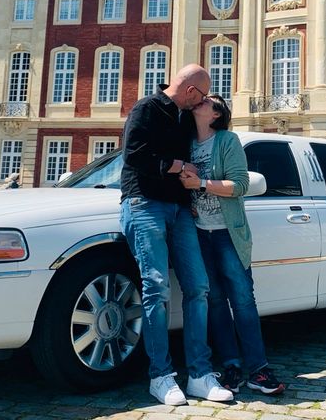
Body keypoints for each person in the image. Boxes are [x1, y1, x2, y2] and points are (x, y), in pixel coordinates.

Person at [118, 64, 232, 406]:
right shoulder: (146, 108)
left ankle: (199, 374)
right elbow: (134, 155)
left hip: (180, 208)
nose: (199, 104)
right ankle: (161, 376)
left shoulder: (185, 118)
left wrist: (192, 196)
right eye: (200, 97)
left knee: (198, 286)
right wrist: (180, 166)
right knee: (157, 287)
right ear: (190, 93)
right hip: (144, 202)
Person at [181, 94, 285, 396]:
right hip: (199, 234)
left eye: (208, 102)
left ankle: (258, 369)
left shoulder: (227, 141)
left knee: (242, 301)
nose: (200, 102)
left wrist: (199, 184)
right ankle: (231, 367)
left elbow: (239, 186)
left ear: (216, 114)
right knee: (214, 302)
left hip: (228, 233)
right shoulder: (185, 142)